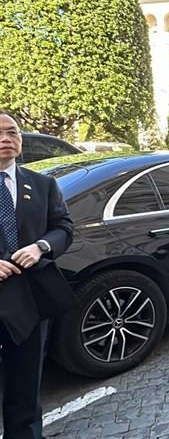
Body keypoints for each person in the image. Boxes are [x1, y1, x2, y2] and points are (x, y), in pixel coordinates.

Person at [0, 111, 74, 439]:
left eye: (12, 132)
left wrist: (41, 246)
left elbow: (64, 228)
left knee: (26, 386)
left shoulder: (42, 184)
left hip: (29, 300)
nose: (6, 139)